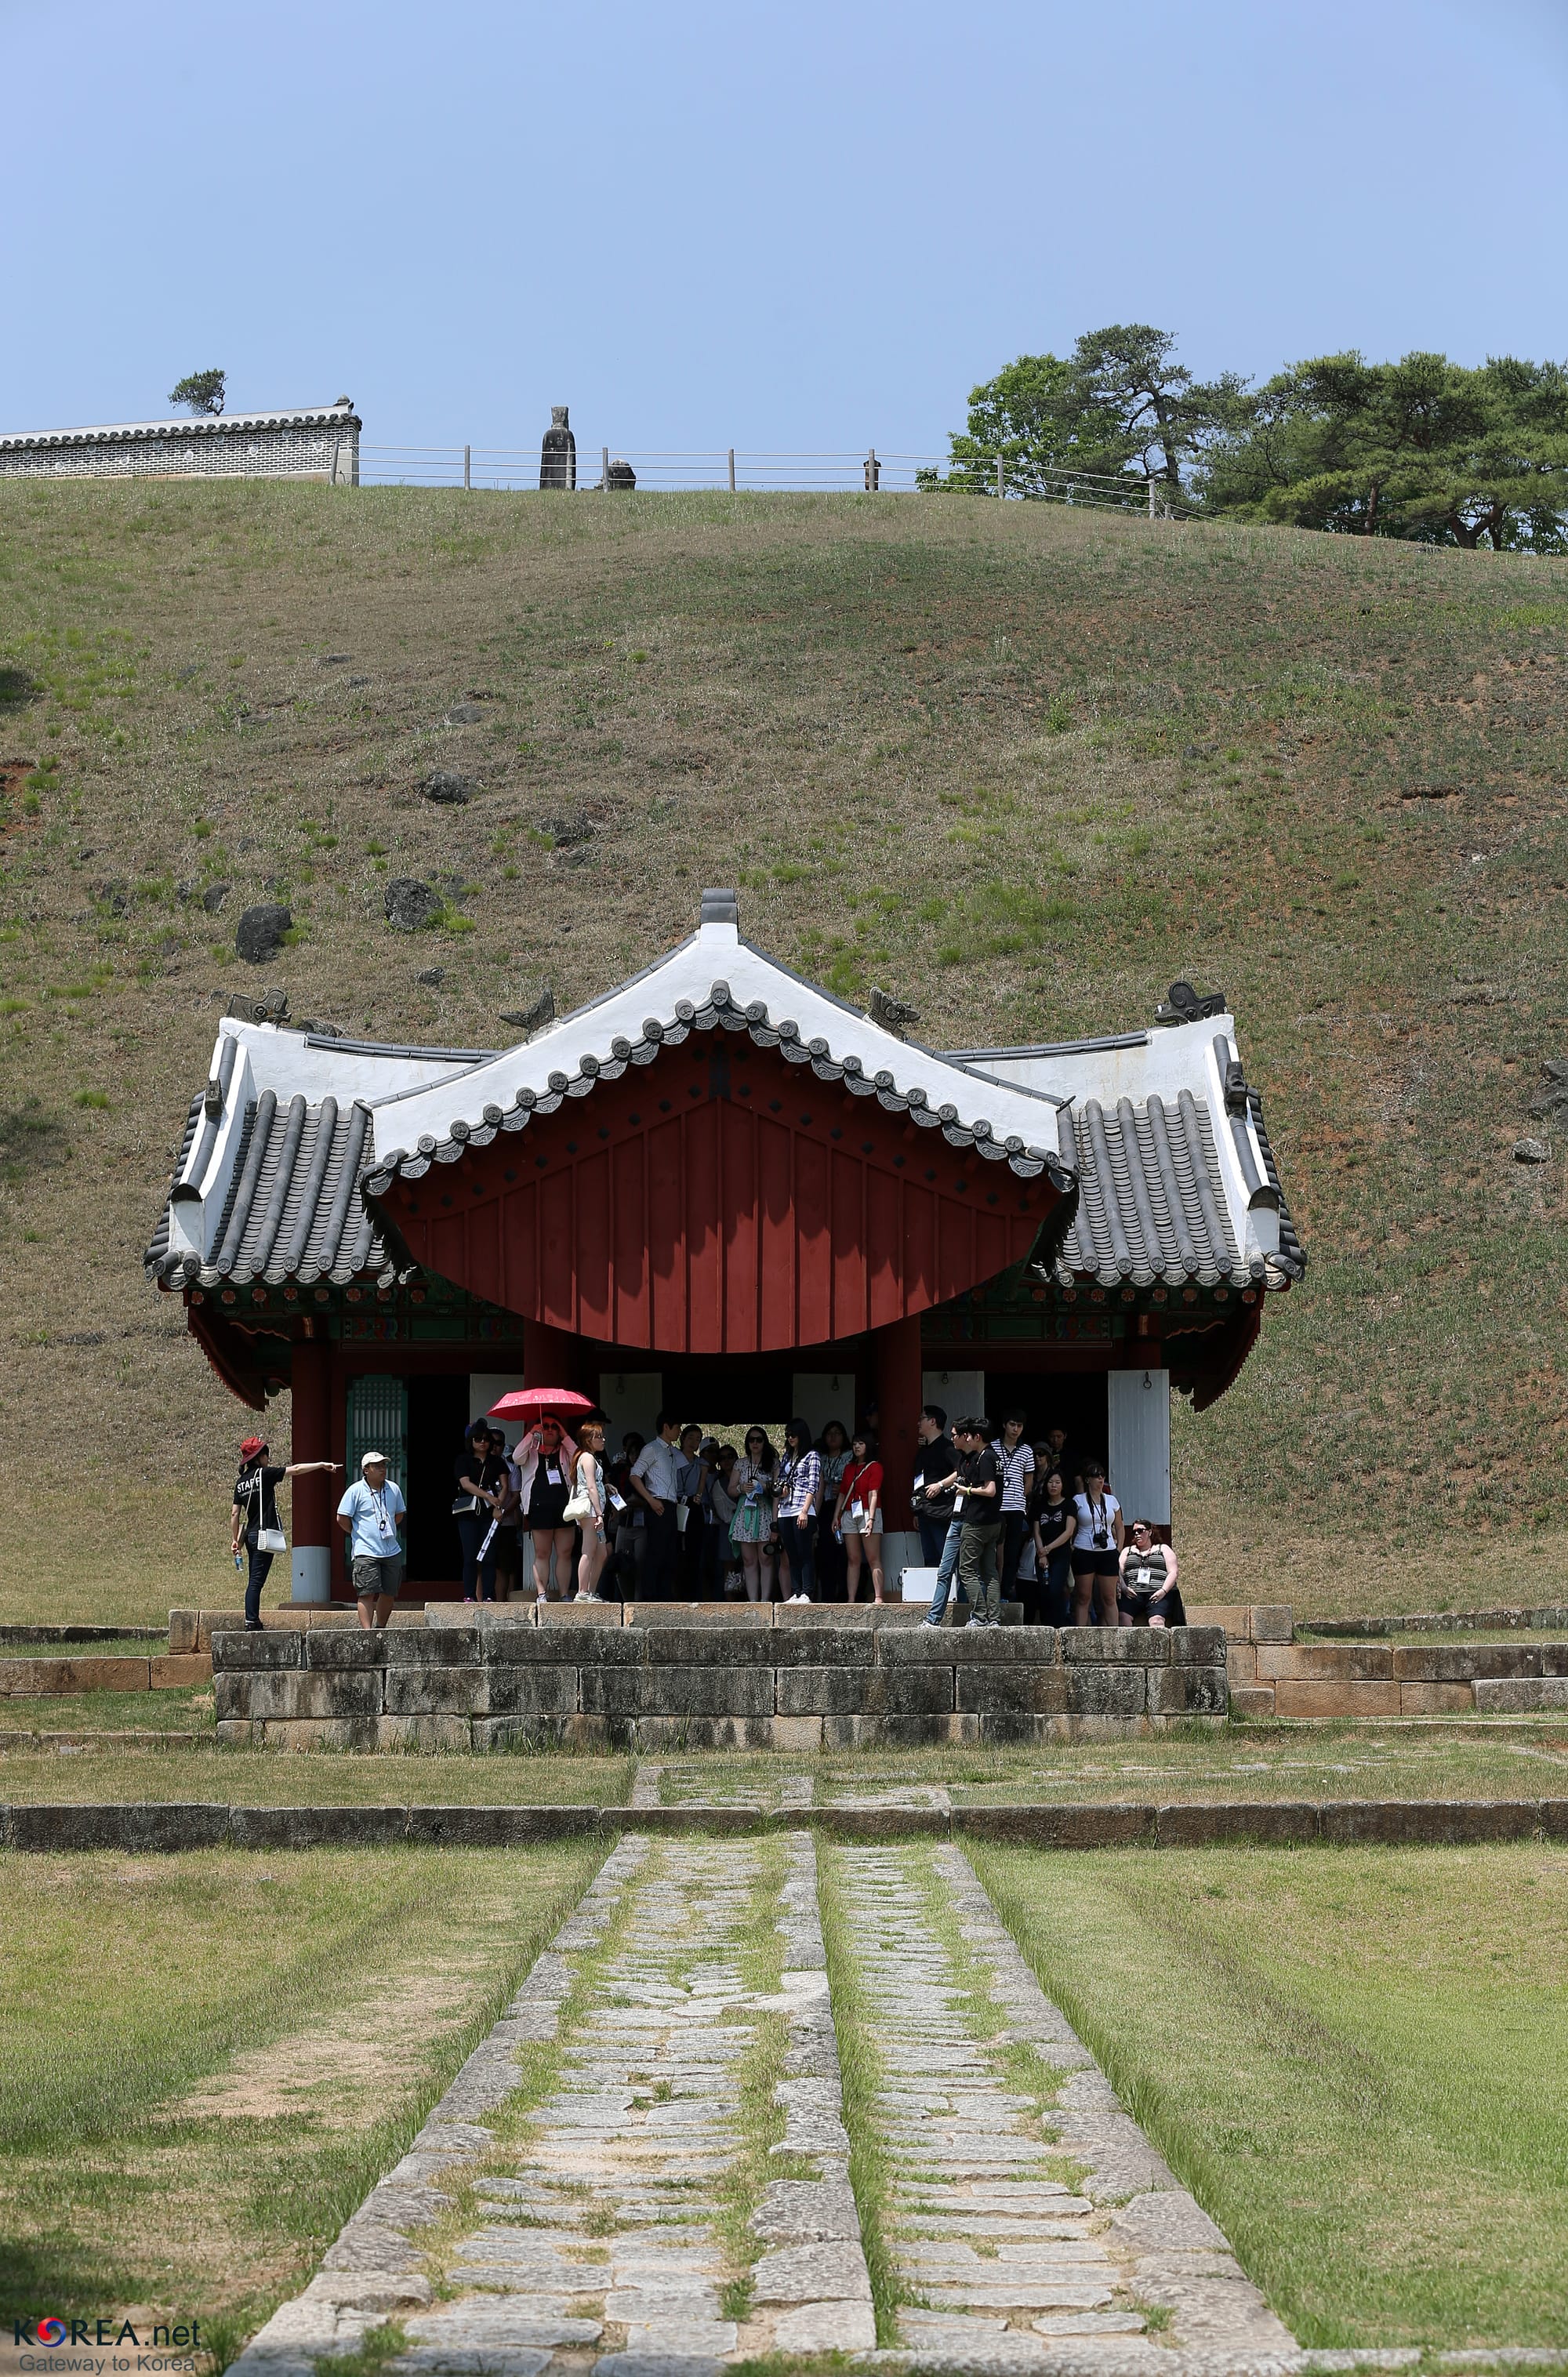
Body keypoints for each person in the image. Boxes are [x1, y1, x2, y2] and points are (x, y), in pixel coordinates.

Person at [230, 1435, 342, 1629]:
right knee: (256, 1582)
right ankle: (251, 1621)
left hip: (250, 1536)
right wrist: (322, 1464)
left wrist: (235, 1540)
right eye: (266, 1454)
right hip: (264, 1535)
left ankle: (252, 1619)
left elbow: (235, 1513)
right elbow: (297, 1470)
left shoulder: (241, 1482)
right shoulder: (265, 1474)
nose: (268, 1458)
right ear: (258, 1457)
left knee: (254, 1580)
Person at [336, 1450, 406, 1629]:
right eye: (377, 1466)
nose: (382, 1469)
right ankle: (367, 1633)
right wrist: (358, 1532)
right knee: (367, 1592)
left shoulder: (394, 1488)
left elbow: (399, 1515)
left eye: (384, 1465)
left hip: (391, 1549)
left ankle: (380, 1628)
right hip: (365, 1550)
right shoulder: (355, 1491)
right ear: (366, 1470)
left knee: (389, 1592)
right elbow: (342, 1518)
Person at [514, 1416, 580, 1602]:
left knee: (565, 1553)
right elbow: (516, 1457)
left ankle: (564, 1594)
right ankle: (542, 1594)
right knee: (542, 1553)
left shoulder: (565, 1452)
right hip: (538, 1508)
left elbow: (579, 1457)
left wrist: (565, 1434)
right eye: (545, 1426)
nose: (549, 1430)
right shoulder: (531, 1451)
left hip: (565, 1509)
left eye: (554, 1426)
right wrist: (531, 1433)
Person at [916, 1410, 967, 1628]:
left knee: (948, 1562)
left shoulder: (947, 1447)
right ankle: (932, 1603)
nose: (918, 1422)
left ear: (933, 1422)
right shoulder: (923, 1449)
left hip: (943, 1511)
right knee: (930, 1559)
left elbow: (962, 1470)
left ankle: (959, 1604)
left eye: (922, 1419)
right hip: (924, 1511)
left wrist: (941, 1485)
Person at [953, 1415, 1003, 1628]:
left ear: (978, 1437)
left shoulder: (985, 1457)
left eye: (970, 1436)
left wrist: (967, 1490)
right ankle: (994, 1618)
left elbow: (990, 1489)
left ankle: (980, 1616)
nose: (968, 1440)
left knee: (967, 1570)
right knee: (990, 1571)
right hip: (994, 1523)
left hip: (978, 1522)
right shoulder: (995, 1456)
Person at [453, 1419, 509, 1602]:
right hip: (468, 1513)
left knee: (490, 1556)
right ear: (471, 1441)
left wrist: (497, 1506)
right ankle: (469, 1595)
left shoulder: (497, 1462)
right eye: (478, 1439)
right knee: (470, 1556)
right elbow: (465, 1483)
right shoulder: (464, 1459)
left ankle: (488, 1596)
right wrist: (488, 1497)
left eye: (485, 1439)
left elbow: (505, 1486)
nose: (482, 1442)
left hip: (490, 1514)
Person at [631, 1411, 684, 1600]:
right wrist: (650, 1499)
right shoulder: (652, 1448)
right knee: (656, 1552)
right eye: (677, 1427)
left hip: (671, 1505)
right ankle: (650, 1598)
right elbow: (634, 1475)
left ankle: (664, 1597)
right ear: (666, 1427)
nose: (679, 1431)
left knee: (669, 1553)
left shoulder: (671, 1451)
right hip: (657, 1503)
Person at [1071, 1461, 1124, 1626]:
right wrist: (1071, 1547)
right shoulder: (1078, 1500)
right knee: (1083, 1597)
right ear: (1088, 1480)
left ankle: (1115, 1635)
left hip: (1107, 1551)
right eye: (1095, 1475)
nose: (1100, 1478)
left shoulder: (1111, 1500)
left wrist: (1118, 1549)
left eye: (1102, 1475)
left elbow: (1120, 1527)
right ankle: (1079, 1634)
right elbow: (1071, 1527)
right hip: (1084, 1549)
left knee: (1109, 1597)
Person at [834, 1428, 884, 1605]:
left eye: (861, 1444)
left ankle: (878, 1597)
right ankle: (851, 1599)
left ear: (868, 1446)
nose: (857, 1447)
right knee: (853, 1558)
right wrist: (836, 1516)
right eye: (855, 1444)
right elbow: (842, 1493)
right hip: (849, 1512)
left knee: (873, 1557)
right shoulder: (849, 1468)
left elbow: (874, 1493)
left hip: (866, 1512)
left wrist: (871, 1519)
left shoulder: (875, 1466)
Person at [991, 1411, 1035, 1609]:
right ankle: (993, 1590)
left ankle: (1007, 1589)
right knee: (993, 1549)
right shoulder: (992, 1447)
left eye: (1020, 1425)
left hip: (1016, 1507)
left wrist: (1020, 1498)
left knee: (1012, 1550)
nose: (1016, 1429)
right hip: (996, 1506)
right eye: (1012, 1424)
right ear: (1004, 1425)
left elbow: (1029, 1480)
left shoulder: (1026, 1450)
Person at [775, 1417, 821, 1604]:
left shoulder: (812, 1455)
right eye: (787, 1435)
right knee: (791, 1553)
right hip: (785, 1509)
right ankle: (796, 1591)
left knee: (804, 1552)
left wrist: (804, 1510)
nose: (790, 1438)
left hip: (803, 1507)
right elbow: (781, 1478)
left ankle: (807, 1592)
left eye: (793, 1434)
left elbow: (813, 1485)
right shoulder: (786, 1456)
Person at [729, 1426, 777, 1601]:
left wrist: (764, 1487)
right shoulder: (740, 1463)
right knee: (748, 1560)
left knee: (766, 1559)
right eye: (751, 1440)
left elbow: (779, 1491)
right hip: (745, 1514)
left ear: (765, 1442)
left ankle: (765, 1601)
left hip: (765, 1513)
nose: (755, 1443)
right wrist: (741, 1488)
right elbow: (731, 1490)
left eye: (759, 1439)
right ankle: (753, 1601)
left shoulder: (773, 1463)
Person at [1031, 1464, 1075, 1627]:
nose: (1054, 1485)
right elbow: (1037, 1531)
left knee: (1057, 1590)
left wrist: (1048, 1549)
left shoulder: (1069, 1505)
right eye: (1050, 1482)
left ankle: (1060, 1625)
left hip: (1061, 1554)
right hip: (1042, 1555)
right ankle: (1045, 1625)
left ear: (1063, 1485)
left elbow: (1069, 1531)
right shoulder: (1040, 1505)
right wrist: (1042, 1553)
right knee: (1044, 1592)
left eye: (1057, 1482)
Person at [1118, 1521, 1184, 1628]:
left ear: (1149, 1532)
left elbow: (1173, 1572)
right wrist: (1124, 1588)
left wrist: (1163, 1591)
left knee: (1156, 1621)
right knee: (1122, 1618)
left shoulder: (1163, 1549)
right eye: (1134, 1532)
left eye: (1140, 1531)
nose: (1137, 1534)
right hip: (1132, 1594)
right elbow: (1118, 1572)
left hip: (1157, 1593)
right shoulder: (1127, 1551)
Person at [572, 1418, 610, 1600]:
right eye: (599, 1437)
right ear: (589, 1440)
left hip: (595, 1510)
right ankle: (582, 1591)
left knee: (601, 1552)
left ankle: (590, 1591)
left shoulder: (590, 1457)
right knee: (588, 1550)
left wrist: (608, 1487)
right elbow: (591, 1486)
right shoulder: (587, 1457)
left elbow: (596, 1484)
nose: (603, 1440)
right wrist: (600, 1514)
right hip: (591, 1511)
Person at [674, 1424, 708, 1599]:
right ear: (682, 1439)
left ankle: (693, 1592)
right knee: (676, 1548)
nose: (693, 1442)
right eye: (690, 1438)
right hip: (676, 1502)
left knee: (694, 1549)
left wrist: (699, 1495)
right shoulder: (672, 1457)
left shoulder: (701, 1463)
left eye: (697, 1439)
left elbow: (702, 1483)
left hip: (693, 1505)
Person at [489, 1427, 521, 1600]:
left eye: (499, 1444)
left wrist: (503, 1512)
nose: (494, 1447)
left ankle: (503, 1603)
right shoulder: (479, 1465)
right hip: (484, 1522)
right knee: (484, 1565)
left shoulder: (511, 1468)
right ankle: (481, 1602)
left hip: (506, 1522)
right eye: (491, 1442)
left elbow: (517, 1495)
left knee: (505, 1566)